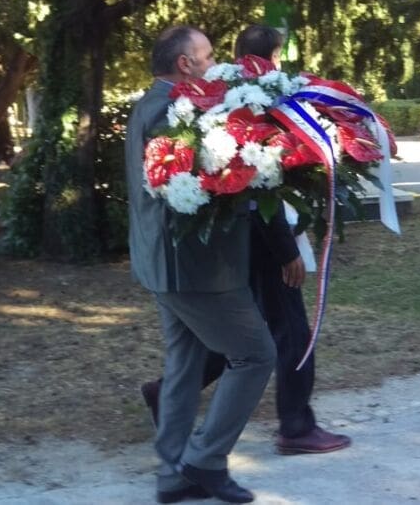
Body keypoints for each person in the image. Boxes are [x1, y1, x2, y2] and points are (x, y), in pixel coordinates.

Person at [141, 24, 352, 456]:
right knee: (289, 331)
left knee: (244, 333)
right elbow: (258, 184)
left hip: (237, 241)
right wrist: (286, 249)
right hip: (260, 237)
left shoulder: (221, 95)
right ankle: (295, 425)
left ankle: (167, 392)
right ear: (272, 56)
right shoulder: (239, 104)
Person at [126, 25, 277, 504]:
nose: (216, 64)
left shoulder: (151, 104)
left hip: (166, 265)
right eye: (208, 56)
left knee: (185, 366)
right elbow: (196, 185)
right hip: (195, 269)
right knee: (256, 356)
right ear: (185, 64)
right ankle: (205, 460)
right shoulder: (172, 111)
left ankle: (174, 474)